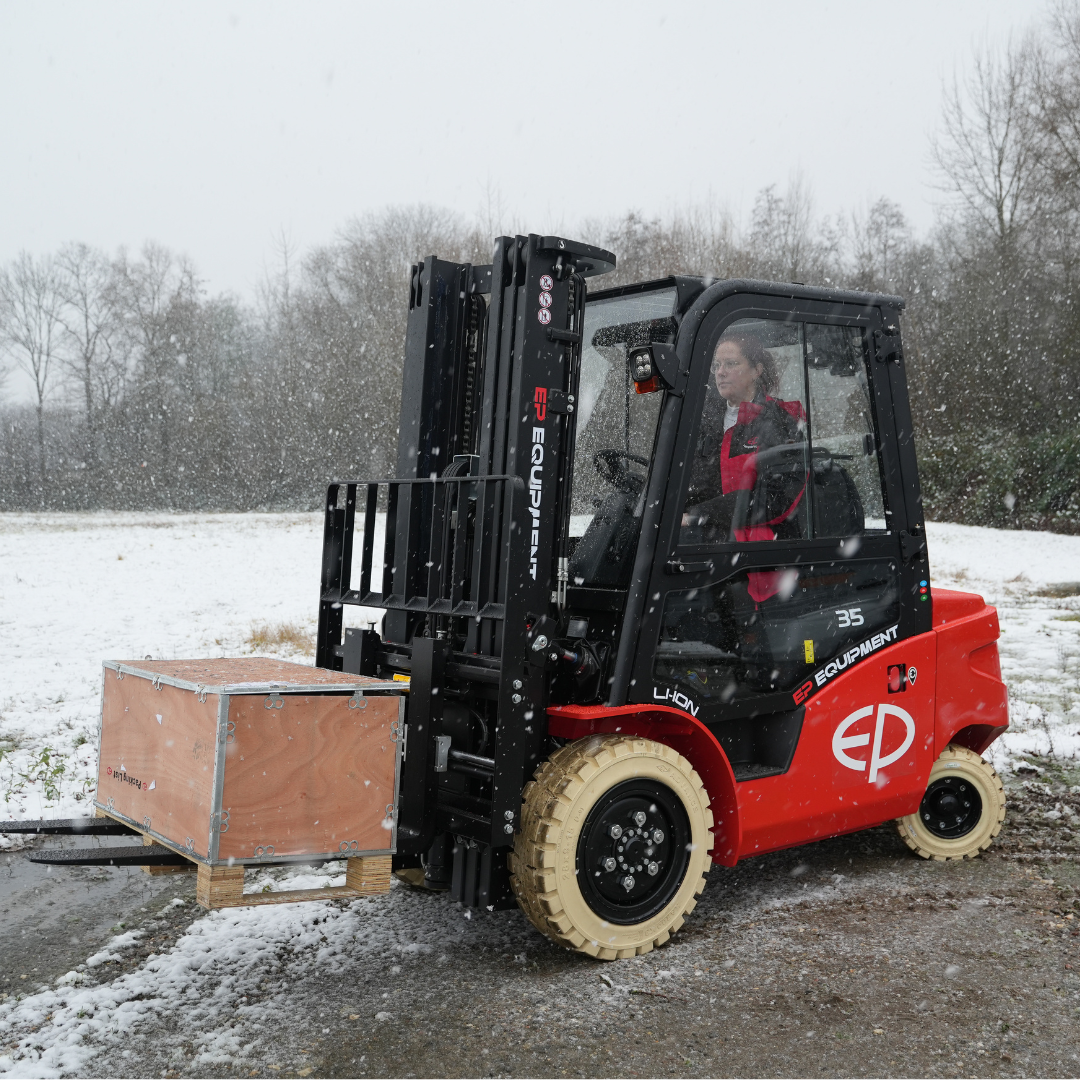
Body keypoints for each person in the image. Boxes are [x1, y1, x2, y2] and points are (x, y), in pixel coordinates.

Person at [682, 332, 808, 547]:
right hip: (707, 540)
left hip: (761, 547)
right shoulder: (702, 422)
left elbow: (777, 498)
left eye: (731, 364)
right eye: (717, 365)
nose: (721, 372)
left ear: (756, 370)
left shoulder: (779, 422)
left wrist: (700, 514)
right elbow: (693, 484)